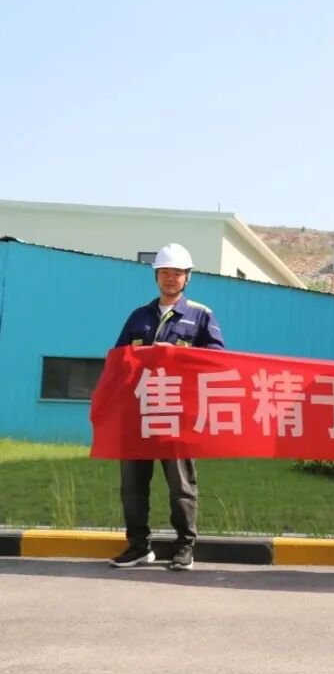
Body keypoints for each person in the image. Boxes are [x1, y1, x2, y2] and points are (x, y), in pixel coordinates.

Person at [110, 243, 224, 571]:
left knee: (181, 485)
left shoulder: (201, 315)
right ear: (156, 277)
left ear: (188, 277)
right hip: (139, 415)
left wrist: (177, 355)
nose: (170, 278)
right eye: (164, 273)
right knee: (132, 486)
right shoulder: (139, 316)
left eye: (177, 273)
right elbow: (118, 359)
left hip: (177, 415)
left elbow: (217, 359)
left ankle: (184, 547)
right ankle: (138, 546)